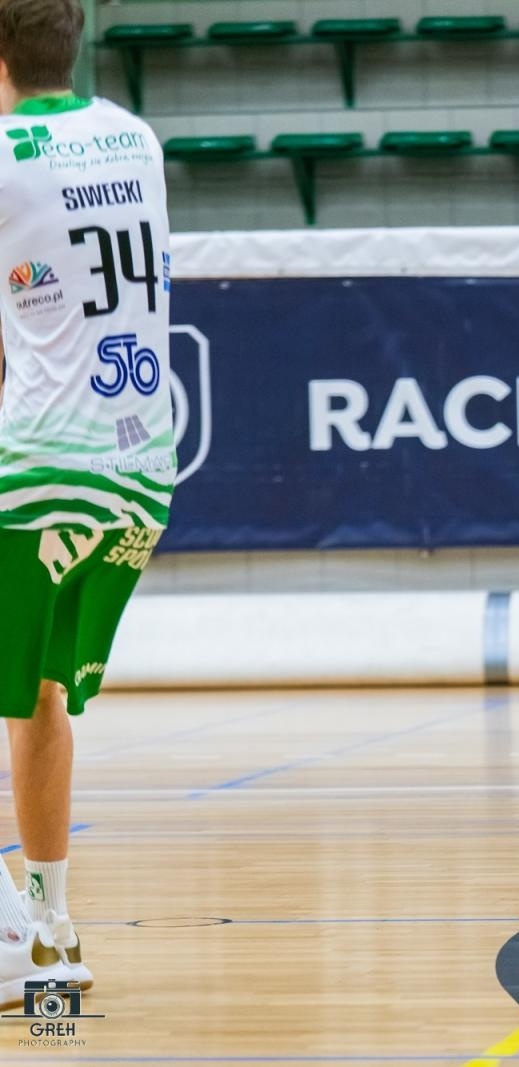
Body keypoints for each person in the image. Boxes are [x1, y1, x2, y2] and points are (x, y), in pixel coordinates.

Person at [0, 0, 174, 1009]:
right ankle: (52, 927)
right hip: (143, 465)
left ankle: (22, 929)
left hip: (44, 467)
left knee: (25, 697)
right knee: (37, 698)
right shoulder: (134, 138)